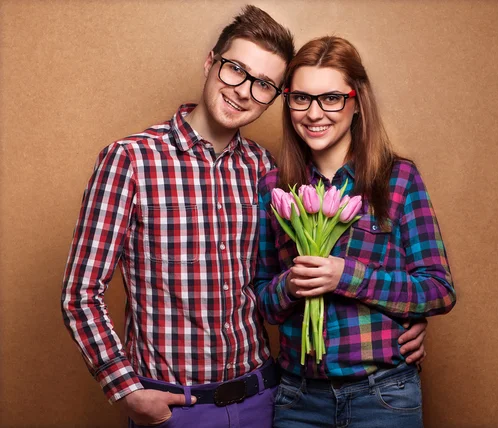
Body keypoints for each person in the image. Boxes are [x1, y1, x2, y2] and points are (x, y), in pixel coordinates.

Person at [61, 6, 428, 428]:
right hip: (176, 408)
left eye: (264, 85)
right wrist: (127, 389)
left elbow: (265, 286)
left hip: (264, 398)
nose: (243, 91)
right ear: (210, 62)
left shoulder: (267, 171)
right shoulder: (131, 160)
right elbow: (80, 293)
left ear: (274, 97)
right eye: (235, 69)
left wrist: (402, 322)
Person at [254, 36, 456, 428]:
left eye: (330, 98)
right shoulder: (275, 187)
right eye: (300, 98)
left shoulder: (396, 179)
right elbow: (263, 301)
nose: (314, 114)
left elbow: (438, 289)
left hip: (383, 394)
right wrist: (290, 286)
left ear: (356, 102)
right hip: (298, 398)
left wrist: (344, 276)